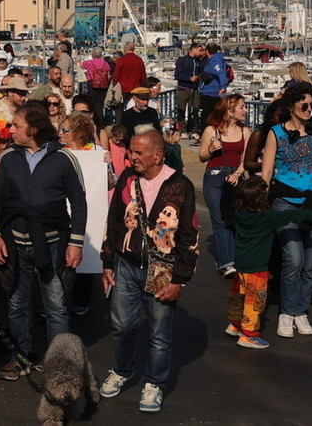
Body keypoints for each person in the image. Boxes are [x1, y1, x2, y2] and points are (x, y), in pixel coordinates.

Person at [100, 128, 198, 413]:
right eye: (131, 151)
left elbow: (189, 236)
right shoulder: (127, 179)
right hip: (125, 263)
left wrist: (179, 280)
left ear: (158, 156)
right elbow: (113, 221)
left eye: (138, 152)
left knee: (159, 334)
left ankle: (155, 382)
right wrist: (108, 262)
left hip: (163, 269)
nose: (132, 157)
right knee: (121, 326)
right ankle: (122, 369)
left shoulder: (181, 185)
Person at [0, 103, 86, 380]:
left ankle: (59, 365)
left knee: (56, 306)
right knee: (17, 304)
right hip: (14, 243)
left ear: (34, 129)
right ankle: (21, 358)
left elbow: (79, 202)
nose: (11, 130)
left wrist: (76, 243)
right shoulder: (8, 157)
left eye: (16, 125)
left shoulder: (64, 158)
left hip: (53, 243)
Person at [227, 177, 312, 349]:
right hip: (257, 268)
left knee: (238, 297)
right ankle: (249, 335)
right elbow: (292, 215)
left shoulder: (239, 213)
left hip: (241, 265)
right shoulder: (267, 217)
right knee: (254, 303)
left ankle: (235, 325)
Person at [259, 83, 312, 339]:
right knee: (293, 258)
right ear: (292, 105)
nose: (309, 109)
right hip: (285, 200)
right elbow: (266, 172)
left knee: (310, 263)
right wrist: (260, 202)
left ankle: (300, 311)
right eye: (304, 104)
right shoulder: (276, 133)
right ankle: (287, 312)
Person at [198, 94, 251, 279]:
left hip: (235, 177)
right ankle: (226, 262)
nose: (245, 110)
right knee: (220, 219)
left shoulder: (245, 132)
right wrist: (211, 149)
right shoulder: (212, 130)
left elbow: (247, 159)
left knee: (235, 218)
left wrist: (237, 173)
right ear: (230, 110)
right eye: (242, 107)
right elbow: (202, 156)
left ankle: (236, 257)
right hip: (214, 177)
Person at [174, 43, 206, 139]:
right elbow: (177, 75)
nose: (201, 53)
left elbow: (203, 72)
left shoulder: (198, 62)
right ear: (193, 49)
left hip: (195, 90)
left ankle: (194, 130)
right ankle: (183, 130)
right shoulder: (182, 60)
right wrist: (189, 78)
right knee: (181, 110)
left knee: (195, 110)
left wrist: (198, 77)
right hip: (183, 89)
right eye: (199, 50)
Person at [111, 42, 147, 117]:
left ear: (125, 49)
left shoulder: (121, 60)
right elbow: (143, 77)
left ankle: (119, 122)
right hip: (136, 88)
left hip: (123, 88)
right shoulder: (139, 60)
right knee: (134, 108)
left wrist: (115, 86)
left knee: (119, 108)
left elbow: (116, 76)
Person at [199, 43, 229, 127]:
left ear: (207, 51)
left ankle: (207, 133)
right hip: (211, 93)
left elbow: (221, 73)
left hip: (210, 93)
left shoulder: (214, 62)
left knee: (207, 117)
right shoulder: (219, 60)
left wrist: (223, 86)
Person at [81, 47, 111, 123]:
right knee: (100, 104)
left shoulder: (89, 63)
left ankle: (92, 120)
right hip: (103, 85)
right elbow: (108, 75)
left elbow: (80, 65)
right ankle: (100, 121)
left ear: (93, 54)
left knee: (91, 103)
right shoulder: (105, 63)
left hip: (92, 83)